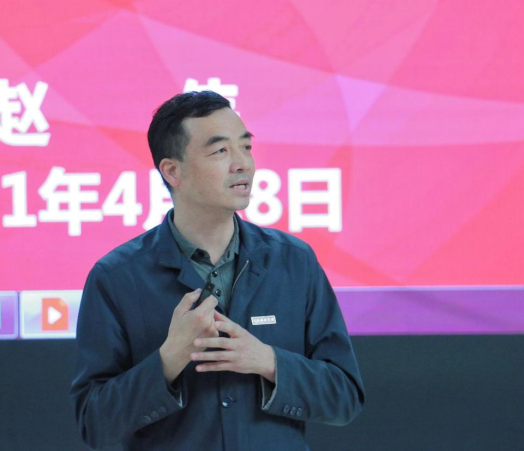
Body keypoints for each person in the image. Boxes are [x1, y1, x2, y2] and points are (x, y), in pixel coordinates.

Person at [71, 91, 365, 451]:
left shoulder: (293, 261)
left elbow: (345, 396)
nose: (242, 164)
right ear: (172, 171)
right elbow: (95, 424)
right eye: (221, 151)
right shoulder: (117, 277)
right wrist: (169, 359)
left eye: (246, 147)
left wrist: (270, 363)